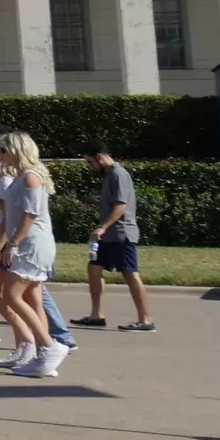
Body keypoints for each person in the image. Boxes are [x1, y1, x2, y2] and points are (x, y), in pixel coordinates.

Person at [0, 130, 65, 377]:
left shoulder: (31, 177)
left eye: (3, 150)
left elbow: (30, 216)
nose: (0, 154)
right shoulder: (23, 176)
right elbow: (14, 211)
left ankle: (49, 346)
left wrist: (12, 244)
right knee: (33, 298)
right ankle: (42, 356)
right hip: (27, 244)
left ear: (15, 150)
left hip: (32, 246)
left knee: (12, 295)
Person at [80, 140, 153, 332]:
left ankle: (146, 320)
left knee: (130, 273)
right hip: (108, 235)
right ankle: (97, 315)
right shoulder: (110, 175)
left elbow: (121, 207)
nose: (91, 167)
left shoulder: (119, 175)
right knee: (94, 267)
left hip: (122, 233)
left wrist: (102, 228)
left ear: (99, 156)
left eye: (91, 162)